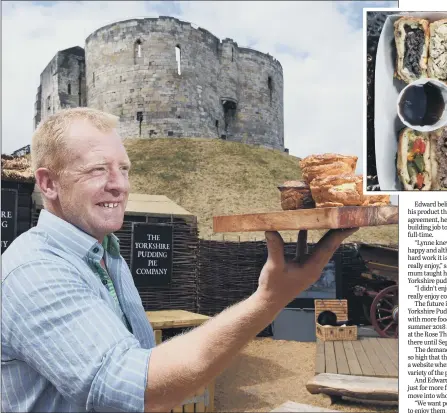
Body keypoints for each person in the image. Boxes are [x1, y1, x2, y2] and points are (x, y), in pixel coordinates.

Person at [1, 107, 357, 413]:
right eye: (98, 169)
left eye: (123, 169)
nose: (119, 185)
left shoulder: (106, 253)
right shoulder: (34, 271)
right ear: (48, 184)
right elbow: (140, 389)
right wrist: (269, 299)